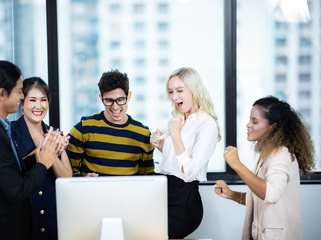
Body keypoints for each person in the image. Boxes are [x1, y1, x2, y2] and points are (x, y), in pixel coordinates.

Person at [0, 61, 62, 240]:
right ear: (2, 94)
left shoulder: (0, 127)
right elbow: (16, 189)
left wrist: (44, 151)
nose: (21, 97)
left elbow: (10, 170)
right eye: (19, 91)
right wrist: (43, 163)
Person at [214, 96, 315, 240]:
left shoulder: (281, 154)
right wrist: (232, 195)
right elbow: (260, 197)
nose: (248, 125)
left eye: (254, 121)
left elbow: (271, 194)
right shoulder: (266, 154)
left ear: (273, 126)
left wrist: (237, 165)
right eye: (250, 120)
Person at [150, 67, 221, 239]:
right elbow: (178, 157)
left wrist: (175, 134)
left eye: (180, 91)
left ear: (194, 91)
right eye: (171, 92)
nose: (174, 97)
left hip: (184, 199)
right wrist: (162, 145)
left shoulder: (206, 124)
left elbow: (190, 172)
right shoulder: (181, 119)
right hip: (166, 191)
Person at [11, 77, 72, 240]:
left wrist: (54, 151)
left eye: (43, 100)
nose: (39, 106)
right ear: (21, 103)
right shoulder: (10, 132)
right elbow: (11, 173)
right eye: (32, 100)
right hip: (24, 216)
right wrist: (42, 148)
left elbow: (67, 178)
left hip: (51, 217)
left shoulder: (54, 133)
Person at [67, 69, 155, 176]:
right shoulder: (83, 129)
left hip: (129, 192)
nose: (115, 106)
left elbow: (147, 178)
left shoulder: (143, 134)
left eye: (120, 99)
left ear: (129, 96)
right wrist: (83, 179)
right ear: (101, 98)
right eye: (109, 100)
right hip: (91, 192)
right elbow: (68, 171)